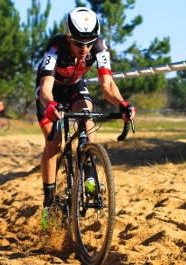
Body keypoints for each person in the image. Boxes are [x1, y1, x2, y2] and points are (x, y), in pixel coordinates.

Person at [35, 7, 136, 229]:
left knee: (87, 118)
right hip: (50, 93)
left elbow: (107, 85)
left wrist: (122, 104)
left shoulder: (98, 46)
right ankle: (48, 203)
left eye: (89, 43)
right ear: (68, 37)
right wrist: (51, 105)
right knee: (54, 144)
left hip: (74, 87)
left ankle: (89, 175)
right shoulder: (55, 46)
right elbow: (45, 88)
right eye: (79, 43)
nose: (85, 48)